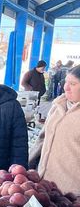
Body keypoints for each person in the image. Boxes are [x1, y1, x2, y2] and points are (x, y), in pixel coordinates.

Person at [29, 65, 80, 196]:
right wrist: (28, 164)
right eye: (66, 82)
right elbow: (42, 138)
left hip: (71, 193)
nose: (66, 87)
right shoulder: (58, 105)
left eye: (73, 84)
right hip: (44, 184)